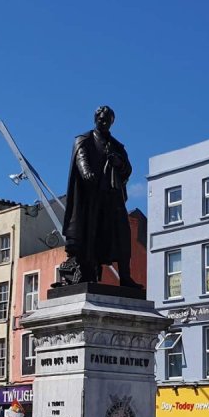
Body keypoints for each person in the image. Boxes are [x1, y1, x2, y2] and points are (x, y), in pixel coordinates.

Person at [57, 105, 139, 287]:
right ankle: (87, 274)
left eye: (107, 120)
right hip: (91, 199)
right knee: (89, 236)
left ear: (112, 122)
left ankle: (125, 277)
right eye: (101, 119)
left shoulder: (117, 146)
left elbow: (128, 169)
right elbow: (81, 159)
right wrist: (86, 172)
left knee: (122, 235)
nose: (104, 122)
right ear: (95, 120)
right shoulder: (83, 140)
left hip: (112, 198)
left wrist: (119, 163)